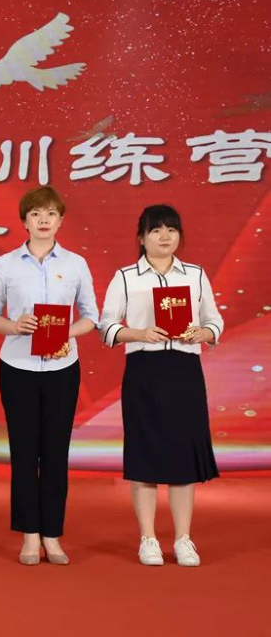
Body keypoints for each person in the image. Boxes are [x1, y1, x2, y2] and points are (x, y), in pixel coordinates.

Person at [100, 204, 222, 567]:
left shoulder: (196, 275)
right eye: (156, 230)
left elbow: (215, 321)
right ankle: (148, 538)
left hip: (185, 371)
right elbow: (106, 325)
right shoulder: (126, 277)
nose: (165, 236)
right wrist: (139, 333)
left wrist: (203, 333)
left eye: (171, 229)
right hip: (144, 371)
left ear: (180, 236)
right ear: (141, 238)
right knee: (146, 453)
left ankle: (184, 538)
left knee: (184, 456)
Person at [0, 186, 98, 566]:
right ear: (24, 221)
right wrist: (14, 326)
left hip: (62, 369)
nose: (43, 220)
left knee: (55, 453)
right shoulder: (6, 264)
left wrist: (67, 332)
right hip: (18, 368)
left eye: (50, 213)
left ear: (61, 220)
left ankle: (52, 534)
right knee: (23, 451)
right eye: (35, 214)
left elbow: (91, 316)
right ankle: (29, 534)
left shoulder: (76, 264)